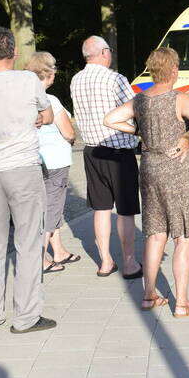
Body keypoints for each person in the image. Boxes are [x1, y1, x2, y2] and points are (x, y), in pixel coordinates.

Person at [104, 48, 189, 318]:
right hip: (178, 172)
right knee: (183, 236)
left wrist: (138, 131)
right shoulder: (179, 98)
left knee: (155, 233)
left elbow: (111, 119)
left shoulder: (140, 101)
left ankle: (149, 295)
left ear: (153, 70)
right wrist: (186, 137)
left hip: (150, 168)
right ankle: (182, 303)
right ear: (173, 70)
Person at [0, 27, 56, 334]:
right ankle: (26, 317)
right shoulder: (28, 80)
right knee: (28, 244)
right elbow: (47, 115)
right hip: (22, 168)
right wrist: (38, 117)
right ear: (15, 53)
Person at [70, 35, 142, 279]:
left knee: (100, 209)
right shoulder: (115, 79)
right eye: (109, 50)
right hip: (118, 151)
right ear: (103, 53)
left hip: (91, 151)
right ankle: (130, 262)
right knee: (125, 210)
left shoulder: (75, 80)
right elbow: (134, 111)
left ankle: (105, 261)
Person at [25, 51, 82, 274]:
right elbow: (68, 132)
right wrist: (72, 138)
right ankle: (39, 258)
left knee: (47, 206)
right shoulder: (51, 101)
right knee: (52, 208)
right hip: (55, 161)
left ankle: (58, 250)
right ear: (46, 75)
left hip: (35, 159)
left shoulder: (24, 98)